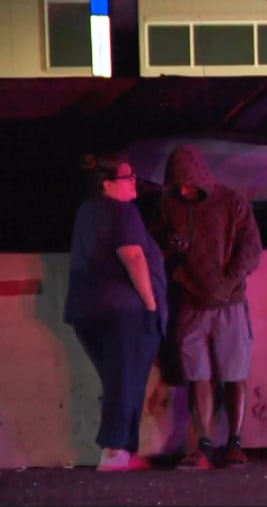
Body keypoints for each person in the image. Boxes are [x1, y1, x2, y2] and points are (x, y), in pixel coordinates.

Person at [150, 143, 262, 471]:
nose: (184, 189)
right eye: (177, 183)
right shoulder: (168, 206)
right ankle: (204, 445)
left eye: (188, 181)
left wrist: (226, 285)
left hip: (230, 303)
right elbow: (155, 248)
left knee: (233, 372)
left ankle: (235, 443)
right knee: (197, 374)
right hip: (191, 302)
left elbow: (251, 250)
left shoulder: (231, 202)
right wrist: (172, 250)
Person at [63, 156, 167, 472]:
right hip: (123, 312)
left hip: (85, 311)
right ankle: (114, 450)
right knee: (125, 379)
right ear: (107, 185)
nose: (134, 180)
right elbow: (133, 257)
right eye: (127, 177)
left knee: (120, 379)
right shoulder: (124, 212)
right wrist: (151, 305)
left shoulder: (86, 212)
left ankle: (124, 449)